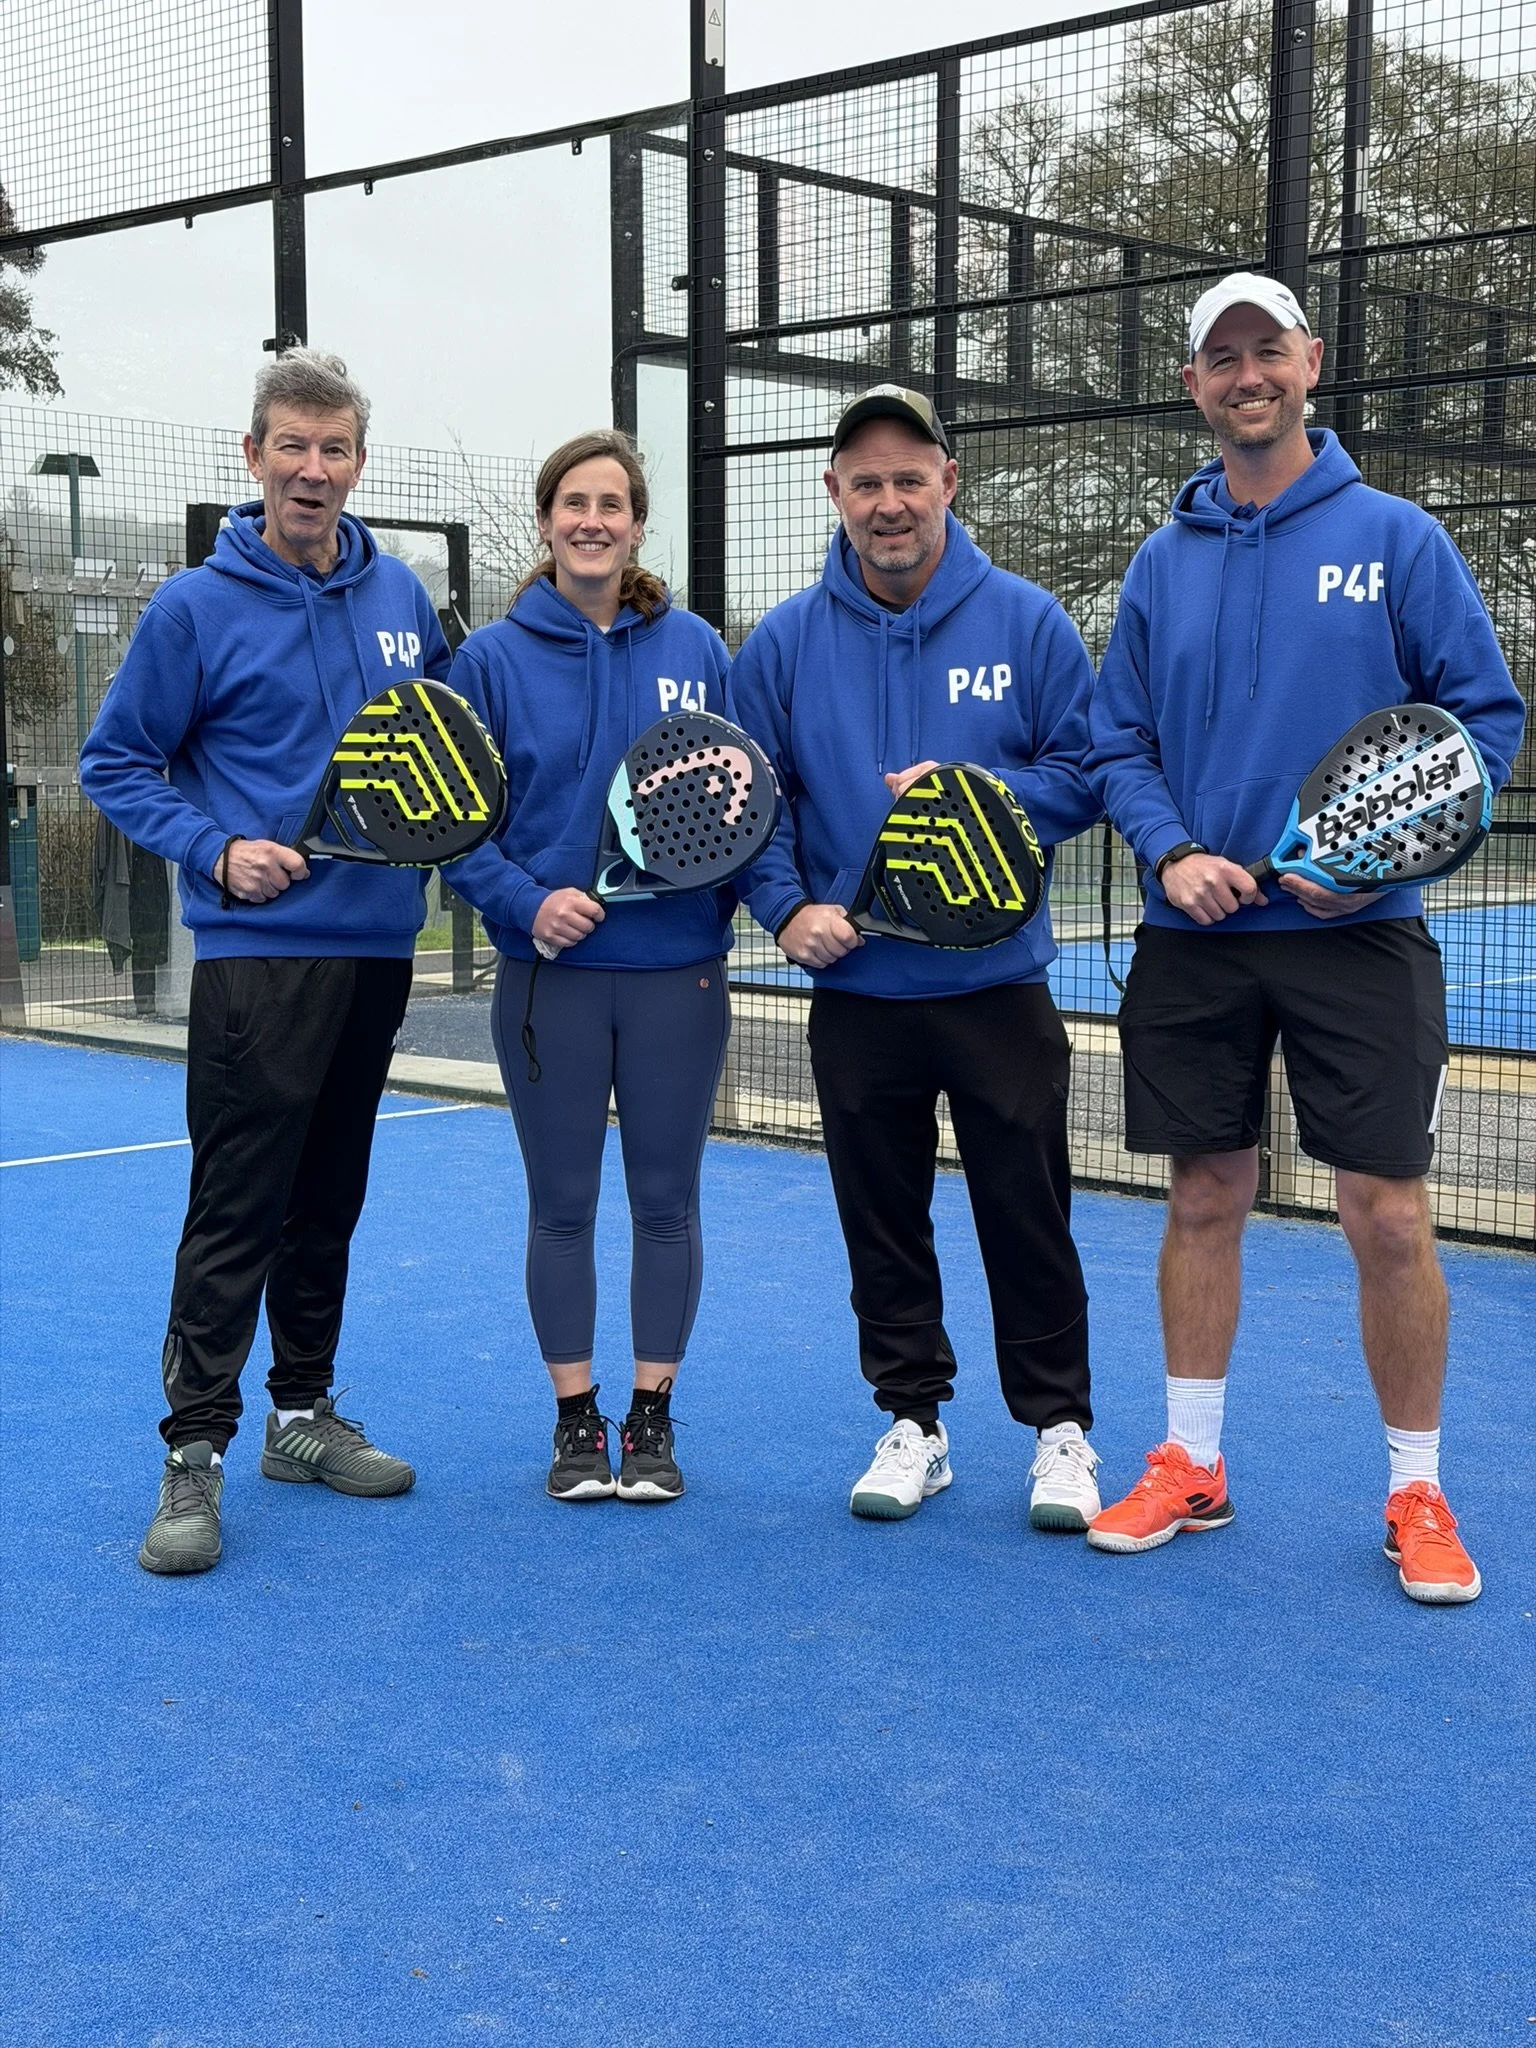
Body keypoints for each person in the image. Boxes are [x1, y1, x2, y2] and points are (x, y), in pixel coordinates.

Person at [1085, 272, 1525, 1601]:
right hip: (1195, 934)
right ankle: (1192, 1463)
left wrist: (1371, 859)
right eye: (1221, 358)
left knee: (1387, 1217)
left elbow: (1481, 723)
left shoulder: (1397, 538)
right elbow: (1119, 740)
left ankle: (1415, 1488)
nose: (1245, 375)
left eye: (1264, 350)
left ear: (1310, 363)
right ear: (1194, 387)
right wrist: (1172, 851)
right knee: (1206, 1194)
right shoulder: (1162, 562)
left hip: (1361, 938)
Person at [80, 349, 451, 1575]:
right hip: (257, 961)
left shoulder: (401, 595)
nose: (312, 468)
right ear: (253, 457)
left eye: (333, 447)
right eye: (290, 445)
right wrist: (219, 849)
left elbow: (445, 745)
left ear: (357, 462)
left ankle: (303, 1413)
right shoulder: (192, 607)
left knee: (329, 1200)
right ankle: (195, 1453)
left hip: (375, 951)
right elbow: (116, 762)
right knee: (236, 1209)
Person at [730, 384, 1104, 1528]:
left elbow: (1085, 773)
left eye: (908, 477)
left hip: (998, 987)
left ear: (950, 480)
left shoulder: (1030, 621)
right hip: (859, 993)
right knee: (880, 1218)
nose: (888, 502)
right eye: (865, 481)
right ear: (833, 494)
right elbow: (751, 799)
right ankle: (915, 1423)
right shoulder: (786, 640)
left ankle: (1059, 1430)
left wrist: (987, 797)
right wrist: (788, 911)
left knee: (1026, 1215)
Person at [441, 430, 732, 1505]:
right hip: (546, 981)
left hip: (677, 971)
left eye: (613, 502)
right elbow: (454, 825)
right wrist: (525, 899)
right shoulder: (489, 661)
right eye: (575, 501)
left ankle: (651, 1417)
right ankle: (576, 1420)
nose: (594, 520)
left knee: (666, 1201)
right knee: (561, 1205)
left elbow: (742, 800)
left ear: (639, 522)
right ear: (547, 519)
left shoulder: (697, 646)